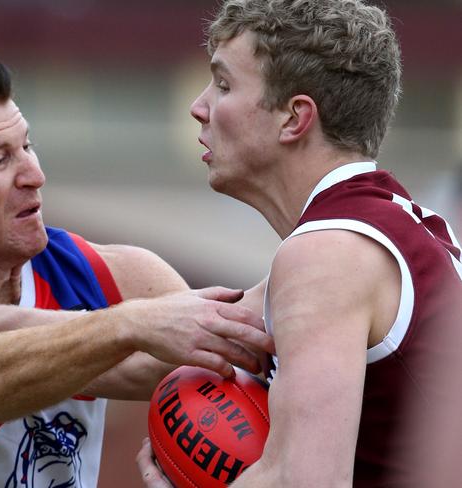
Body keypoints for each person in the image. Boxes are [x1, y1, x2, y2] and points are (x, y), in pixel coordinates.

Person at [0, 46, 274, 487]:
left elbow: (216, 363)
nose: (34, 174)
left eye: (27, 145)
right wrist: (128, 323)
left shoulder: (115, 274)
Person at [135, 0, 462, 486]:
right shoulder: (396, 227)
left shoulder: (326, 254)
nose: (198, 106)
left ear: (294, 118)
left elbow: (305, 480)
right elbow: (150, 353)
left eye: (223, 84)